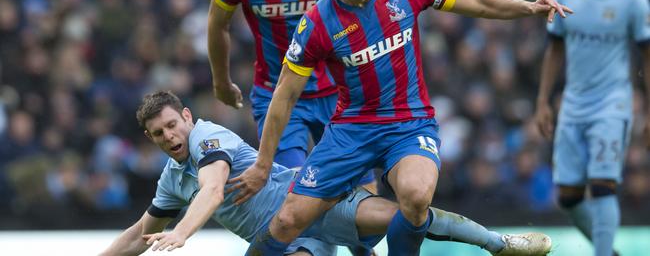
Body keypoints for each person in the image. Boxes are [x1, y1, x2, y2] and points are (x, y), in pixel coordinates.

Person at [232, 0, 570, 256]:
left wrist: (528, 7)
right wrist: (263, 164)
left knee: (415, 197)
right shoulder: (318, 23)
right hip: (351, 131)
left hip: (409, 124)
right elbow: (285, 94)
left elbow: (477, 2)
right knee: (287, 220)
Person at [98, 91, 551, 256]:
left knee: (406, 216)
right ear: (150, 138)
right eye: (159, 133)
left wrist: (183, 234)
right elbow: (141, 233)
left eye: (173, 124)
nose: (170, 136)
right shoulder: (172, 180)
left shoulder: (207, 138)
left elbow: (214, 189)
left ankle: (499, 244)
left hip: (310, 204)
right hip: (285, 239)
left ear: (188, 118)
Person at [207, 0, 375, 194]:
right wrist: (221, 81)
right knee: (293, 192)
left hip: (338, 93)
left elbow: (365, 9)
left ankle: (361, 244)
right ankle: (307, 241)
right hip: (277, 95)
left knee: (362, 196)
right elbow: (218, 24)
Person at [534, 0, 650, 256]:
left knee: (602, 186)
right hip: (572, 104)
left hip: (612, 104)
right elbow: (554, 48)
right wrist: (543, 101)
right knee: (568, 197)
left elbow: (647, 53)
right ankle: (609, 252)